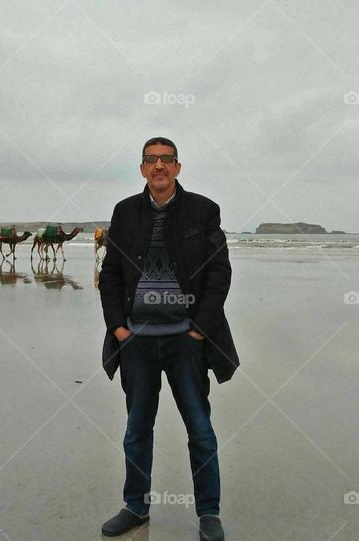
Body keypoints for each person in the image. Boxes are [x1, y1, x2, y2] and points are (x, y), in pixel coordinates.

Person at [98, 136, 240, 540]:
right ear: (142, 168)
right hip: (136, 339)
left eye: (167, 159)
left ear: (178, 167)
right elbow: (110, 275)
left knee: (200, 427)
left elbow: (219, 274)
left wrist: (199, 330)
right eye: (151, 160)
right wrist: (119, 328)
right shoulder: (124, 213)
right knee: (137, 427)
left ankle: (209, 513)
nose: (159, 166)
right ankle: (135, 506)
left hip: (186, 341)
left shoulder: (204, 211)